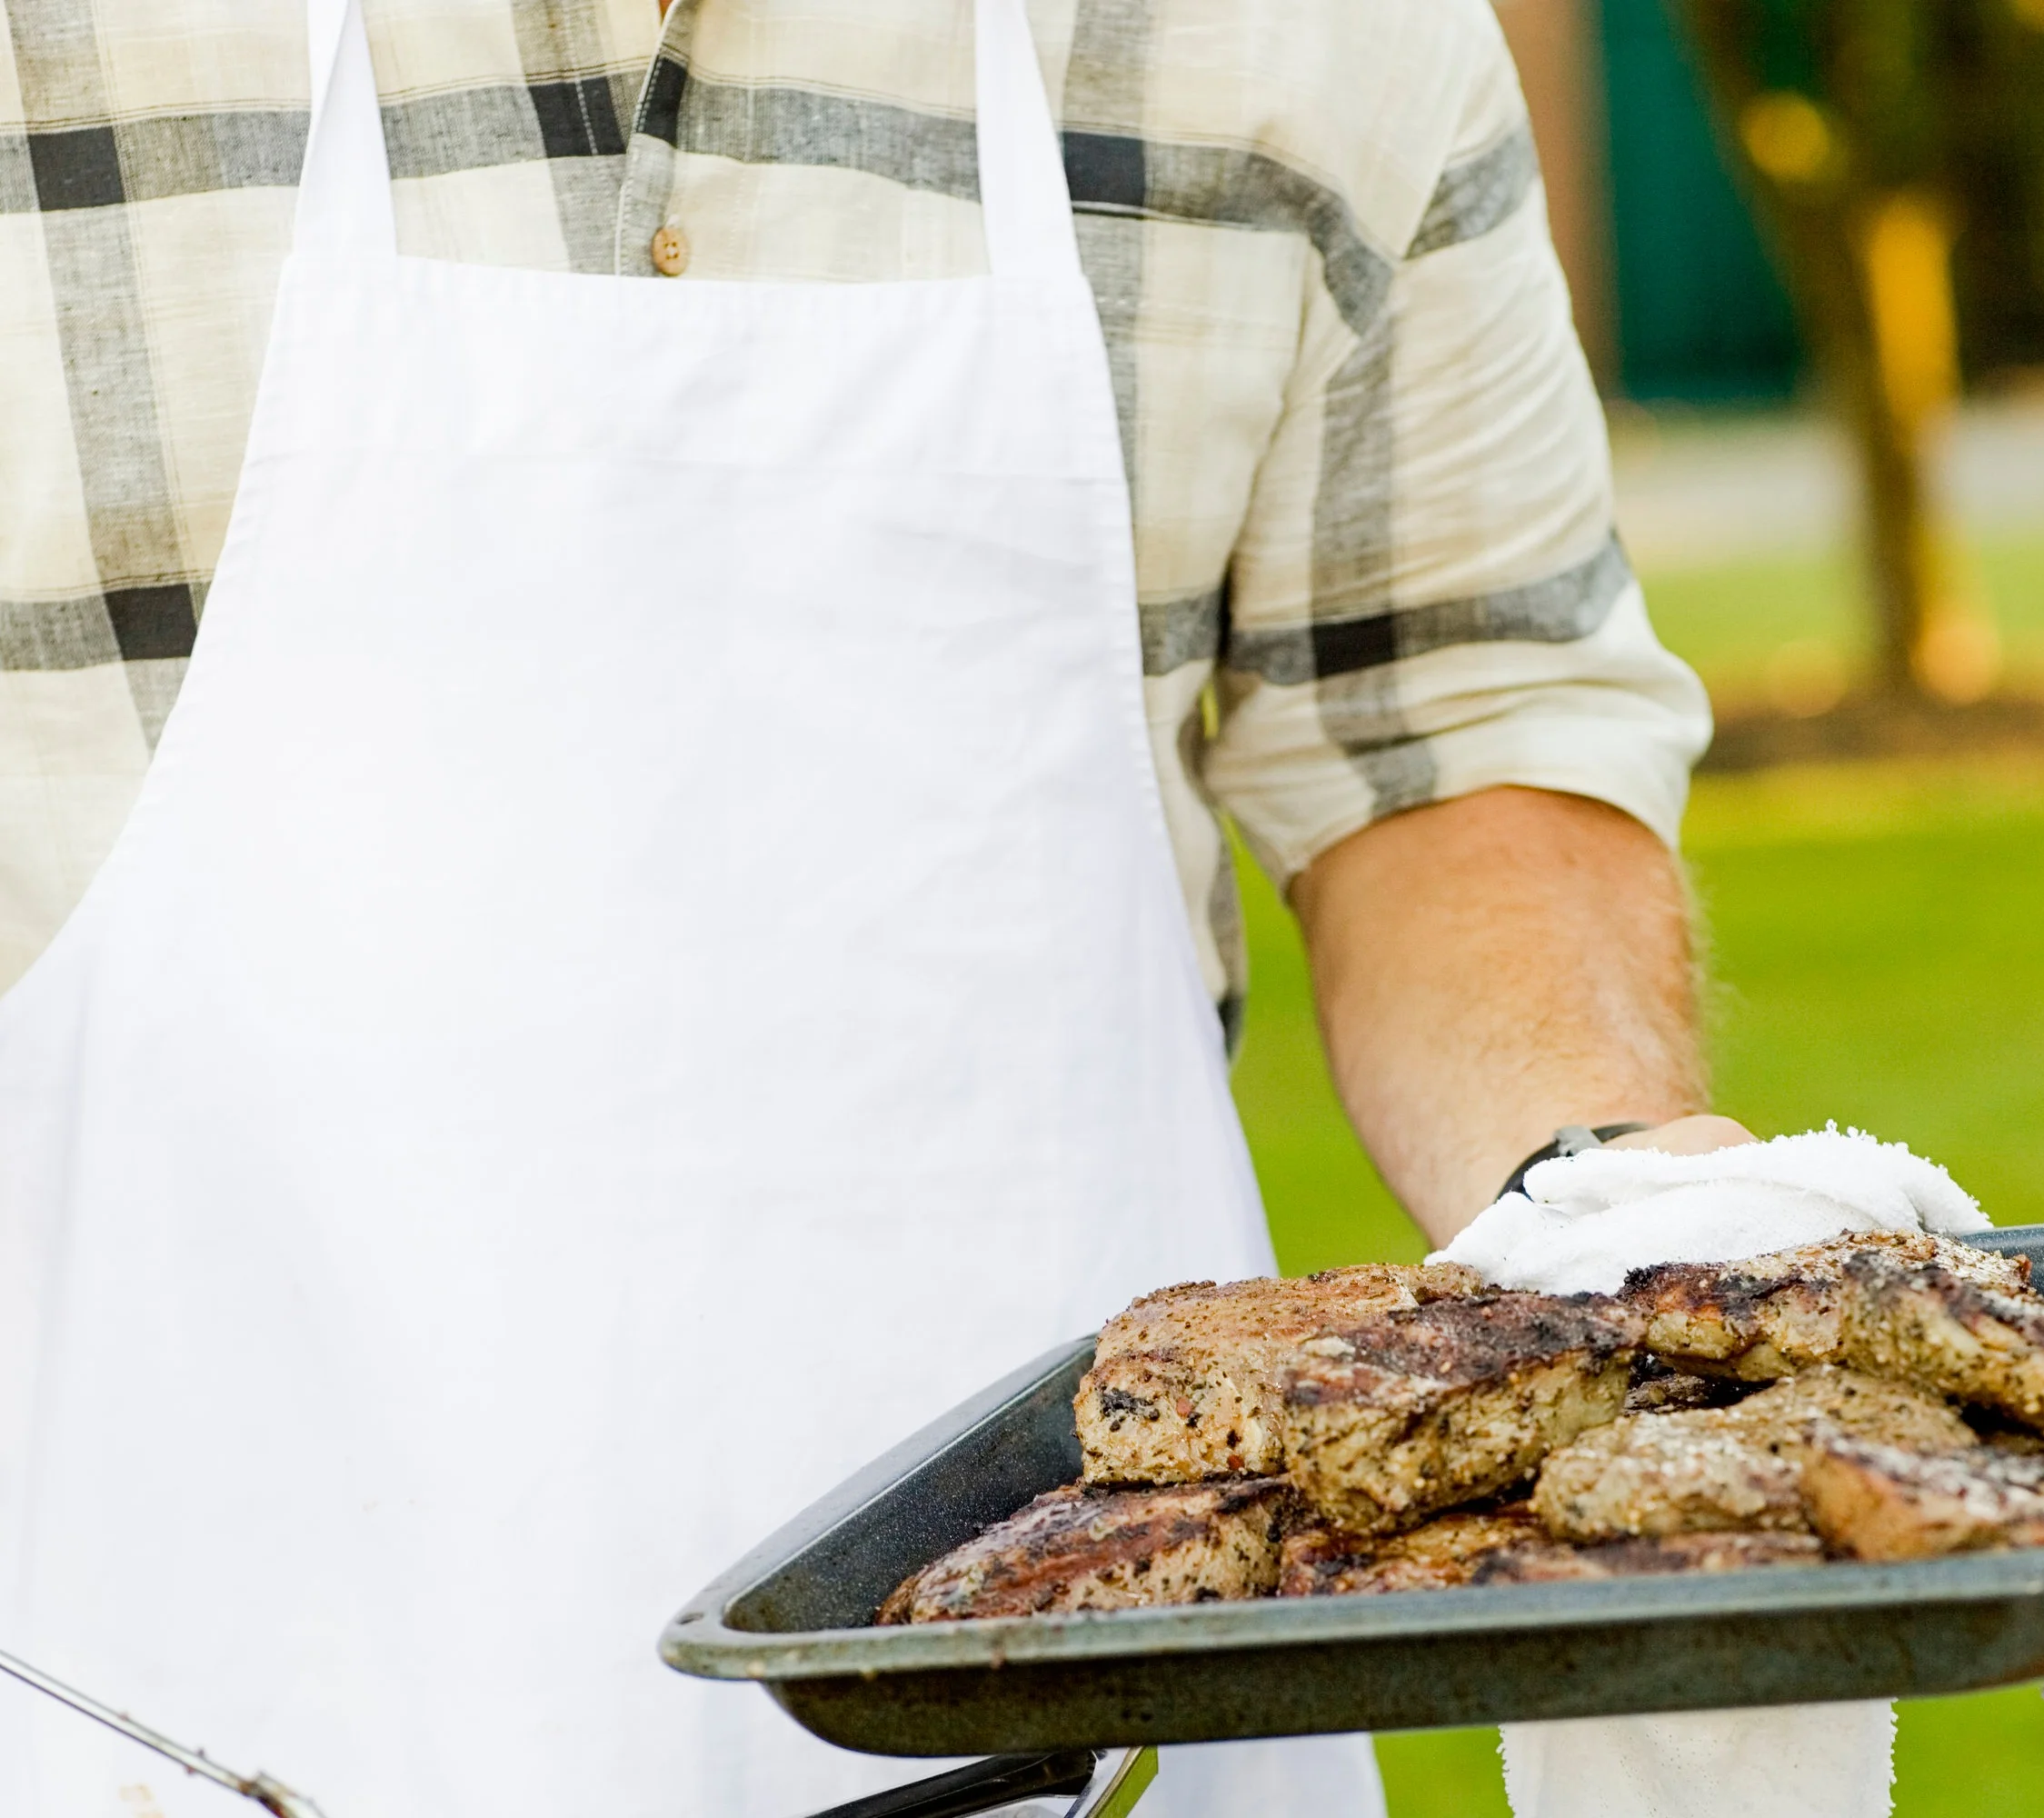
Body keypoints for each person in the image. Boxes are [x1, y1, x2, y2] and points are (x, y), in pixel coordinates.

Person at [0, 0, 1740, 1812]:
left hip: (1095, 1723)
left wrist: (1629, 1211)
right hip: (174, 1704)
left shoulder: (1306, 36)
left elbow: (1446, 733)